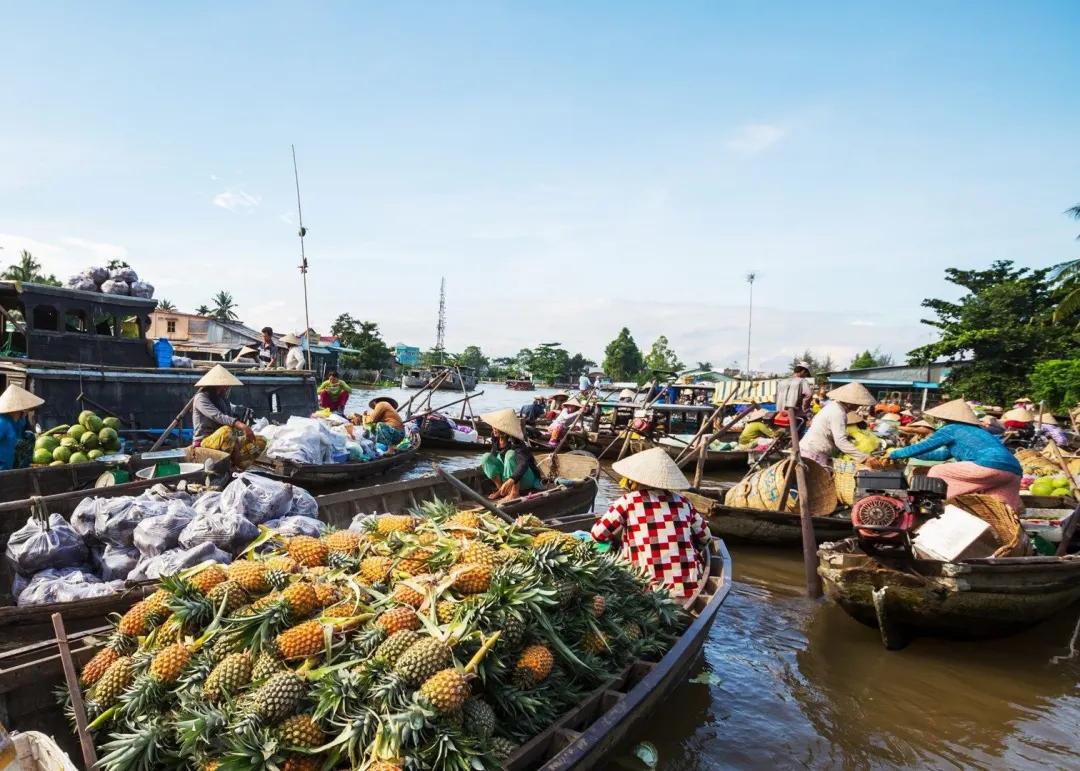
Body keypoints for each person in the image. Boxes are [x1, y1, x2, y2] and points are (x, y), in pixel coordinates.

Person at [590, 447, 710, 599]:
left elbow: (597, 534)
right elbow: (706, 537)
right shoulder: (684, 502)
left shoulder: (628, 501)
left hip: (645, 593)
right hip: (686, 592)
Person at [887, 398, 1023, 511]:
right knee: (1002, 510)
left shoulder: (950, 428)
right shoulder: (976, 431)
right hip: (1014, 471)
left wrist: (896, 454)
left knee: (938, 470)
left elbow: (925, 446)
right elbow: (942, 455)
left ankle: (929, 509)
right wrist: (910, 455)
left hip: (988, 465)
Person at [800, 382, 878, 467]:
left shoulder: (833, 406)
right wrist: (864, 457)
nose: (858, 406)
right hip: (814, 451)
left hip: (809, 448)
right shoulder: (838, 413)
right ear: (850, 402)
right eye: (858, 404)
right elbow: (840, 441)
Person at [478, 408, 542, 500]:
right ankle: (501, 490)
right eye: (493, 426)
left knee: (510, 454)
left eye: (496, 427)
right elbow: (493, 456)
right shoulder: (496, 438)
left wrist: (511, 480)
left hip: (524, 478)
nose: (494, 429)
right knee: (486, 457)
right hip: (508, 477)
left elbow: (523, 464)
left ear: (504, 429)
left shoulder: (516, 442)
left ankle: (514, 493)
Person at [192, 365, 254, 445]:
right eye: (224, 385)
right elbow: (217, 416)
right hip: (204, 440)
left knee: (260, 441)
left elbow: (229, 416)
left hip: (224, 439)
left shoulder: (223, 398)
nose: (226, 387)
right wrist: (241, 425)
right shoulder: (201, 398)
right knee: (227, 431)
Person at [0, 384, 43, 470]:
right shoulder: (2, 423)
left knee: (30, 435)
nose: (27, 411)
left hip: (12, 467)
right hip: (2, 469)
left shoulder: (20, 421)